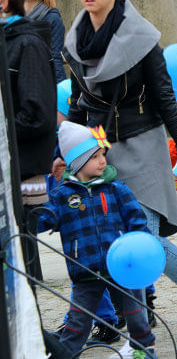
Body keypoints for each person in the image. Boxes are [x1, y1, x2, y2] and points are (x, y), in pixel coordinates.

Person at [62, 0, 177, 348]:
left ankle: (172, 315)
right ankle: (166, 314)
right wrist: (66, 154)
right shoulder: (75, 41)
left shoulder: (143, 39)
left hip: (143, 143)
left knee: (142, 240)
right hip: (100, 151)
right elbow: (80, 104)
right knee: (119, 243)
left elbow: (166, 99)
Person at [37, 122, 156, 357]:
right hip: (85, 270)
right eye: (95, 157)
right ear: (78, 162)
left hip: (121, 267)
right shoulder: (62, 196)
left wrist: (141, 245)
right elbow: (43, 219)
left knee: (135, 315)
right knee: (78, 320)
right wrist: (28, 216)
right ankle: (66, 353)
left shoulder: (116, 189)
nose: (103, 161)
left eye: (103, 155)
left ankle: (144, 350)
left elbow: (136, 220)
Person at [0, 0, 57, 282]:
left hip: (21, 173)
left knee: (22, 266)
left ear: (3, 1)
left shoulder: (28, 44)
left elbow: (37, 117)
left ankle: (32, 329)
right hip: (7, 171)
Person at [23, 0, 65, 81]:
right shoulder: (13, 17)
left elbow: (55, 57)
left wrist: (59, 88)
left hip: (40, 82)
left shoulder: (52, 18)